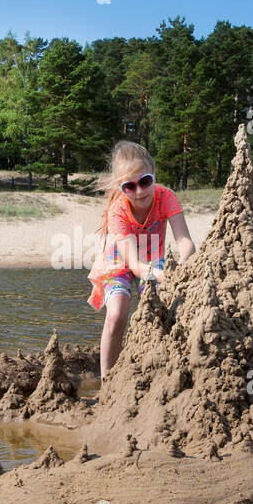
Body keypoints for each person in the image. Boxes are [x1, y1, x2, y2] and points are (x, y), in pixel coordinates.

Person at [87, 141, 196, 375]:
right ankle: (108, 379)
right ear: (121, 187)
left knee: (157, 307)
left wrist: (183, 267)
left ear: (154, 175)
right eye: (130, 186)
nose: (139, 191)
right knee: (117, 313)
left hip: (153, 257)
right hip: (120, 260)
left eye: (145, 181)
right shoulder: (118, 211)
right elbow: (135, 265)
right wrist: (161, 275)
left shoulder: (166, 197)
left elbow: (185, 241)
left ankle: (158, 369)